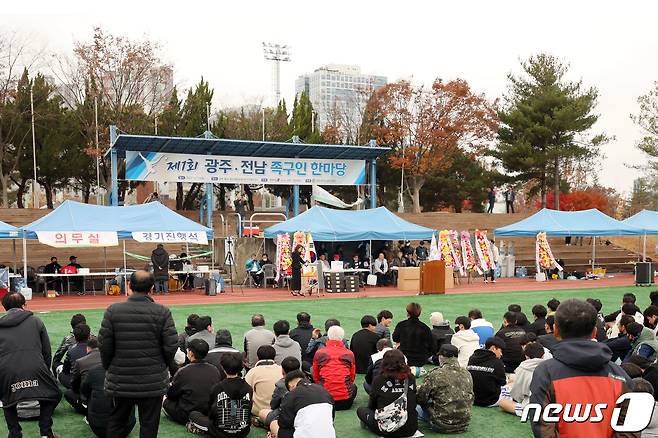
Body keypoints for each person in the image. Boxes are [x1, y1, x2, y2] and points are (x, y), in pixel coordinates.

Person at [529, 299, 636, 436]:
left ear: (555, 330)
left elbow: (542, 428)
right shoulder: (620, 374)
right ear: (594, 332)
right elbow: (629, 427)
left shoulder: (545, 372)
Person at [98, 270, 178, 438]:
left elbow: (105, 345)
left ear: (129, 286)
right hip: (152, 380)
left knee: (117, 422)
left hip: (122, 378)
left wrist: (109, 366)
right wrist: (160, 365)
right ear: (152, 288)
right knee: (149, 426)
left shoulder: (113, 311)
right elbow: (170, 346)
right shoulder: (162, 312)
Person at [0, 292, 61, 438]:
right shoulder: (36, 321)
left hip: (7, 371)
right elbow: (47, 351)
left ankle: (14, 432)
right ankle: (45, 431)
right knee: (53, 393)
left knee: (8, 399)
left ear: (4, 307)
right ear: (24, 305)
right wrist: (45, 371)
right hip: (36, 367)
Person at [188, 352, 253, 437]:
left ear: (222, 367)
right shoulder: (248, 388)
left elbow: (211, 412)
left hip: (219, 431)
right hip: (243, 431)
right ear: (241, 367)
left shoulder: (217, 388)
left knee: (193, 414)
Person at [357, 349, 419, 437]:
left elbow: (372, 405)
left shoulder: (379, 380)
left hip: (387, 429)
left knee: (361, 410)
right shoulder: (410, 378)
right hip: (410, 429)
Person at [163, 338, 222, 425]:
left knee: (164, 399)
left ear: (190, 353)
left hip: (186, 414)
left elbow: (171, 394)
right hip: (208, 412)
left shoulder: (183, 371)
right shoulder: (215, 370)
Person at [417, 344, 473, 433]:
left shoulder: (435, 374)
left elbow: (421, 398)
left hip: (441, 425)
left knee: (415, 406)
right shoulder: (467, 374)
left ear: (441, 357)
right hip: (463, 424)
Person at [269, 370, 336, 438]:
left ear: (290, 385)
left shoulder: (291, 394)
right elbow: (332, 418)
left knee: (273, 424)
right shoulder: (324, 391)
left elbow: (283, 423)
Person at [313, 325, 357, 410]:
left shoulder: (319, 353)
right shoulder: (349, 353)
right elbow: (352, 377)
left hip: (324, 401)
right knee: (353, 387)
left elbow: (316, 377)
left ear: (328, 337)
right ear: (342, 338)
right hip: (345, 402)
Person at [500, 341, 544, 416]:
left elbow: (517, 395)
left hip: (531, 407)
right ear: (543, 355)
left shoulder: (523, 367)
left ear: (526, 356)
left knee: (503, 402)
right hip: (550, 405)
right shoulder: (550, 365)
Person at [257, 356, 302, 430]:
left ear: (283, 371)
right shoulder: (306, 382)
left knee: (262, 412)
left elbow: (273, 405)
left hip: (285, 416)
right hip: (301, 416)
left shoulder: (281, 384)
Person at [467, 337, 507, 407]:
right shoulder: (497, 363)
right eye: (500, 351)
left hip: (472, 399)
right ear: (493, 348)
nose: (501, 354)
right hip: (490, 401)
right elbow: (503, 382)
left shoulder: (472, 358)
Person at [66, 338, 102, 415]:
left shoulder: (81, 362)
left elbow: (74, 384)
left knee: (69, 393)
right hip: (107, 397)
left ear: (88, 348)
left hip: (91, 400)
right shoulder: (108, 359)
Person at [245, 345, 282, 417]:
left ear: (258, 358)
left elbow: (244, 391)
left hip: (258, 410)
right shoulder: (281, 369)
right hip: (278, 410)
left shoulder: (253, 371)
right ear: (274, 357)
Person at [392, 302, 433, 367]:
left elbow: (395, 338)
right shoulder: (425, 328)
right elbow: (432, 346)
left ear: (407, 313)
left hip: (404, 358)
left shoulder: (401, 325)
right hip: (421, 360)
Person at [58, 322, 91, 388]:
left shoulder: (71, 351)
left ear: (75, 338)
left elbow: (65, 370)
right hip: (96, 381)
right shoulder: (97, 348)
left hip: (80, 385)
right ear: (89, 336)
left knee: (61, 374)